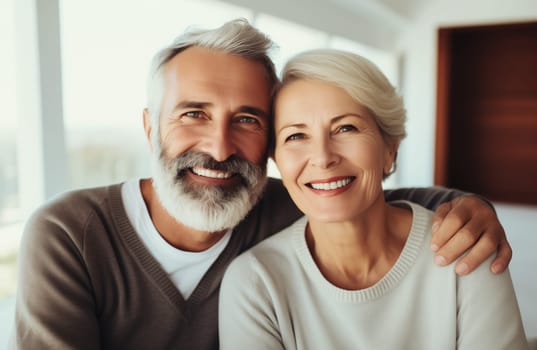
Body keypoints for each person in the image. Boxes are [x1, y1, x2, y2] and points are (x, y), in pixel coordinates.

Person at [13, 19, 512, 350]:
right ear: (149, 126)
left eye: (247, 120)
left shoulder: (284, 203)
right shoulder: (69, 233)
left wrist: (466, 205)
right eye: (193, 114)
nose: (221, 146)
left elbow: (361, 194)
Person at [219, 49, 529, 349]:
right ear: (276, 160)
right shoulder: (254, 282)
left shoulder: (465, 245)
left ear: (389, 149)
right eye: (296, 136)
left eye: (346, 128)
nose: (323, 157)